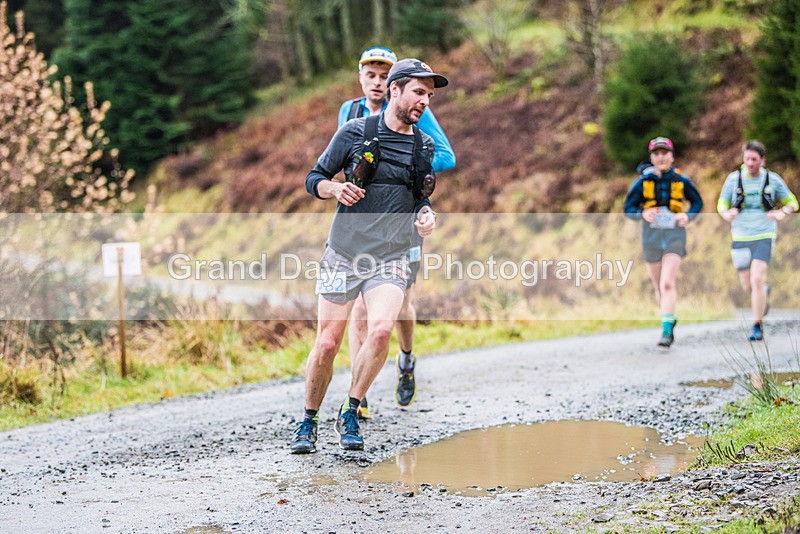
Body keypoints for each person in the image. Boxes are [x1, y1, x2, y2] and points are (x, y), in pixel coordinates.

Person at [290, 58, 448, 454]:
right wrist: (335, 189)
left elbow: (421, 198)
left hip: (391, 256)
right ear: (395, 90)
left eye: (430, 95)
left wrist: (426, 216)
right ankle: (308, 419)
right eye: (419, 92)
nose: (425, 101)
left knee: (379, 331)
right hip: (343, 252)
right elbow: (314, 178)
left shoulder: (423, 146)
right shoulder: (354, 132)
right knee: (328, 342)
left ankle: (351, 408)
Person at [339, 47, 456, 418]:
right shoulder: (350, 112)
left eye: (383, 75)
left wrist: (400, 161)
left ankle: (406, 359)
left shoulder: (416, 107)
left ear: (394, 83)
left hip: (404, 219)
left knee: (401, 302)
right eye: (370, 75)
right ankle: (358, 395)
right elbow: (343, 159)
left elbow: (446, 156)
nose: (376, 82)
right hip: (363, 221)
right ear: (361, 77)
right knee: (359, 307)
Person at [624, 137, 703, 347]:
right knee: (658, 286)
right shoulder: (642, 183)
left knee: (667, 282)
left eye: (664, 153)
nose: (661, 157)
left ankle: (666, 331)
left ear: (672, 156)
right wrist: (642, 214)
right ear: (651, 158)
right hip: (651, 238)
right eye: (656, 154)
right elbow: (628, 209)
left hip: (674, 236)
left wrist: (688, 216)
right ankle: (668, 317)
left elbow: (697, 202)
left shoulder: (681, 181)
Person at [717, 140, 797, 341]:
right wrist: (726, 214)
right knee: (748, 286)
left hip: (764, 235)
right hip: (740, 236)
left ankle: (757, 326)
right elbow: (721, 204)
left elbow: (792, 202)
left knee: (757, 279)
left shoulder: (773, 180)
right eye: (747, 159)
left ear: (762, 160)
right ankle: (763, 294)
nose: (751, 163)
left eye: (754, 159)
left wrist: (782, 212)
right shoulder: (733, 180)